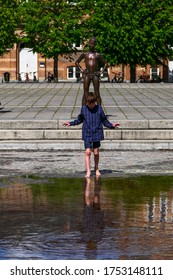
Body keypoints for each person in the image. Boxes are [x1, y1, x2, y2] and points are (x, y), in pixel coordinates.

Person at [63, 92, 120, 177]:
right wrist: (70, 123)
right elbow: (79, 120)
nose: (91, 105)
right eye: (89, 103)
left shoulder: (99, 109)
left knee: (96, 152)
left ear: (95, 102)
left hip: (97, 132)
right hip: (87, 132)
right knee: (88, 152)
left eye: (93, 103)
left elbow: (104, 120)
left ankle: (96, 168)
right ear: (87, 102)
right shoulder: (84, 109)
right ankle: (88, 171)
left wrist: (112, 125)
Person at [75, 37, 108, 105]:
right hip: (87, 75)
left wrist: (101, 72)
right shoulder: (85, 54)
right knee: (85, 93)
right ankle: (83, 110)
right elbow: (76, 62)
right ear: (89, 44)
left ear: (95, 45)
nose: (92, 45)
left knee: (97, 93)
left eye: (93, 44)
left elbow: (105, 63)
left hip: (95, 74)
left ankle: (99, 110)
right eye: (91, 43)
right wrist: (82, 70)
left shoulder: (97, 55)